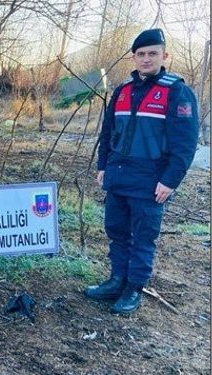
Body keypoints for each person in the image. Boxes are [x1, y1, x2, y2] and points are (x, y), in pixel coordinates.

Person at [85, 29, 199, 314]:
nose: (146, 59)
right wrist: (102, 166)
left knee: (143, 237)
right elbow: (108, 131)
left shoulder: (177, 92)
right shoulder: (123, 90)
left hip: (151, 182)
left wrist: (170, 181)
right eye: (141, 54)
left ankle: (134, 288)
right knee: (117, 232)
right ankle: (116, 280)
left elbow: (185, 144)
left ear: (164, 56)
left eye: (153, 53)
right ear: (133, 57)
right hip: (119, 177)